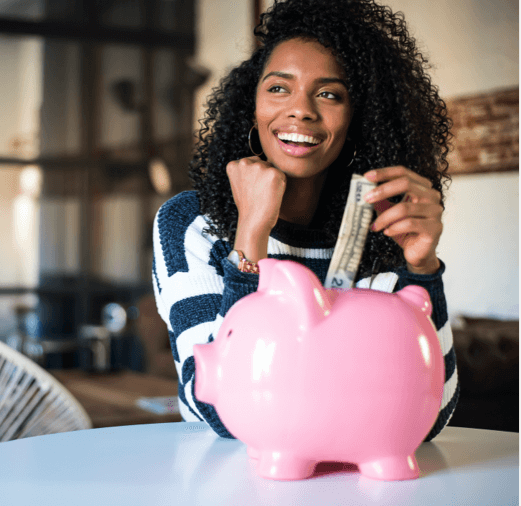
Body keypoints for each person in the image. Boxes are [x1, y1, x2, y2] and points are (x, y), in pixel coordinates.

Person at [151, 0, 458, 442]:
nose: (301, 110)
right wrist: (251, 233)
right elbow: (218, 409)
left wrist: (423, 270)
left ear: (357, 120)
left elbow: (429, 419)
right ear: (250, 105)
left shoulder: (379, 227)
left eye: (330, 94)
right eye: (279, 88)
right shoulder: (192, 222)